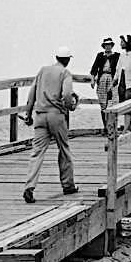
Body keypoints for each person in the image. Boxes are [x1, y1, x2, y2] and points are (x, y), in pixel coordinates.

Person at [22, 46, 79, 204]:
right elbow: (67, 94)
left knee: (37, 153)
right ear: (67, 60)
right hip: (56, 115)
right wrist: (70, 106)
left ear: (56, 57)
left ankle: (29, 187)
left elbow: (32, 93)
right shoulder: (65, 73)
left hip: (40, 115)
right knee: (64, 149)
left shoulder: (43, 70)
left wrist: (28, 113)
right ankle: (68, 185)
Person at [89, 37, 120, 134]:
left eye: (109, 45)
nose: (108, 47)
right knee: (103, 104)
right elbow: (94, 68)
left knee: (112, 102)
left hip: (112, 79)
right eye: (106, 45)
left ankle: (112, 127)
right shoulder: (100, 55)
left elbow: (120, 68)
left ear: (112, 46)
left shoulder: (116, 56)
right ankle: (105, 127)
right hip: (102, 78)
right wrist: (93, 79)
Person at [114, 34, 131, 132]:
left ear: (127, 42)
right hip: (122, 83)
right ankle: (130, 128)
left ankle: (125, 130)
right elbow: (118, 70)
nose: (120, 44)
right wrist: (114, 81)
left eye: (122, 42)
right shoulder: (122, 55)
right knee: (125, 106)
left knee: (128, 108)